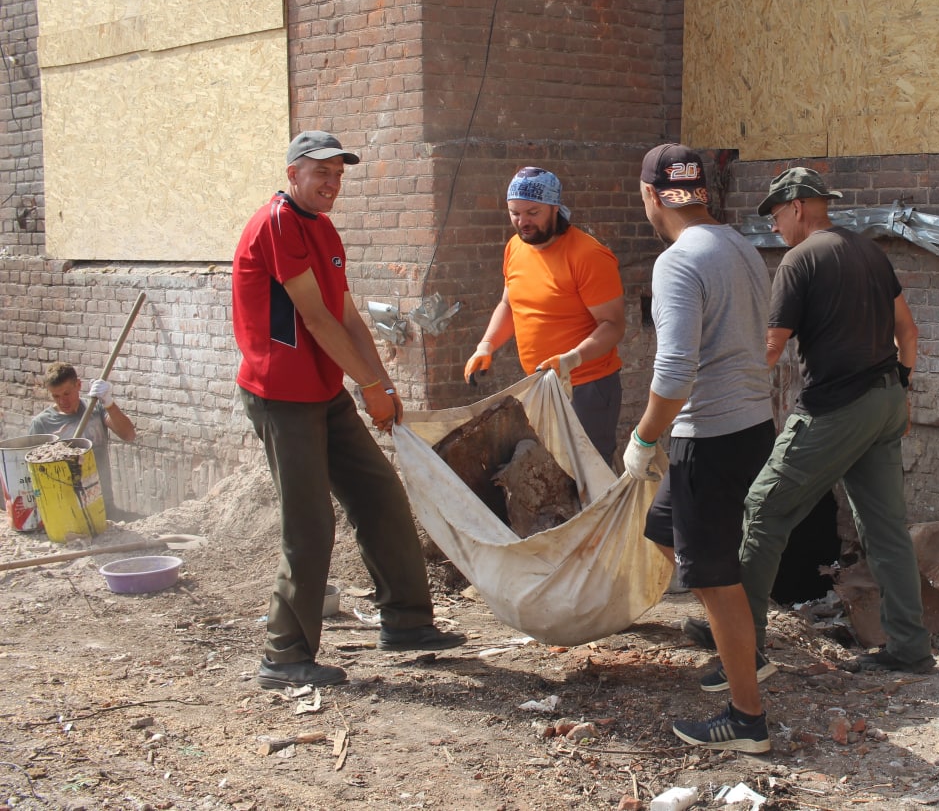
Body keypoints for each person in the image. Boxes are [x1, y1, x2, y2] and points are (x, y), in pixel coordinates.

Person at [233, 130, 466, 691]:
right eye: (321, 173)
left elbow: (347, 315)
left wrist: (382, 383)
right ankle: (284, 657)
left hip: (322, 390)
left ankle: (407, 624)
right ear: (293, 174)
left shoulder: (323, 228)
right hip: (281, 397)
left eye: (338, 174)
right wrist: (366, 384)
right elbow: (314, 319)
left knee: (380, 493)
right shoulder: (277, 224)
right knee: (309, 526)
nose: (331, 183)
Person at [737, 167, 933, 674]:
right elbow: (907, 334)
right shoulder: (869, 250)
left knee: (763, 507)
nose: (775, 228)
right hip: (886, 401)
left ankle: (740, 644)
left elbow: (771, 347)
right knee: (887, 529)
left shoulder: (799, 260)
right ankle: (909, 649)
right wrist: (902, 392)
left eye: (777, 215)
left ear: (797, 207)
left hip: (836, 407)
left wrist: (719, 383)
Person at [624, 143, 776, 753]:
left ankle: (746, 720)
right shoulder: (740, 245)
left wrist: (643, 438)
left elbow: (673, 372)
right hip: (751, 427)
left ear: (650, 196)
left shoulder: (677, 262)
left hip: (706, 437)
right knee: (665, 528)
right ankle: (746, 651)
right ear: (703, 192)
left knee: (713, 579)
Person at [463, 167, 625, 463]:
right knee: (551, 472)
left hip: (586, 386)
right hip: (539, 385)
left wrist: (572, 358)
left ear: (555, 207)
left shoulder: (587, 255)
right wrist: (486, 345)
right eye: (515, 213)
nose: (522, 222)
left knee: (589, 474)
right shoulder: (515, 247)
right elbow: (509, 305)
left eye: (533, 212)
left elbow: (612, 325)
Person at [29, 362, 137, 521]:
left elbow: (129, 435)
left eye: (67, 393)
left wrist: (108, 403)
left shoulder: (95, 410)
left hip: (103, 506)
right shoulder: (42, 424)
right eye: (56, 396)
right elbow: (32, 474)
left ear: (78, 385)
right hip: (67, 512)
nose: (62, 401)